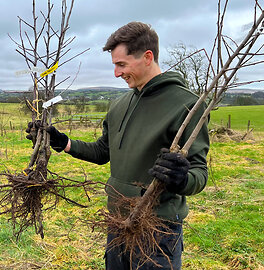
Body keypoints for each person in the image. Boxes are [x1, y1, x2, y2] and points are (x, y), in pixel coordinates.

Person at [27, 22, 209, 269]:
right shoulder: (119, 104)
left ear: (147, 57)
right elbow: (103, 152)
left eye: (121, 64)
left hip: (157, 229)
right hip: (117, 221)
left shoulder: (186, 105)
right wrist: (63, 142)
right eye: (114, 64)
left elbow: (199, 172)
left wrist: (182, 178)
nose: (116, 73)